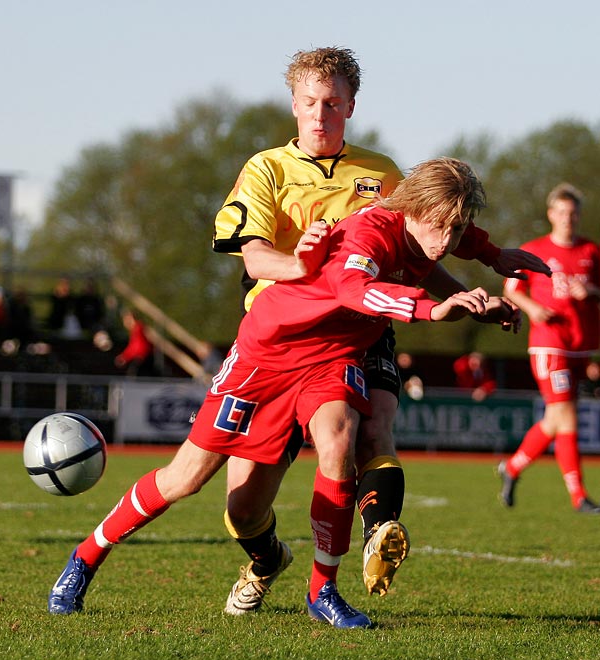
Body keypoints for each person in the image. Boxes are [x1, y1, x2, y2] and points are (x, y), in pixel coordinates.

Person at [47, 157, 519, 628]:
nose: (445, 241)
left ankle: (323, 591)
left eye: (455, 231)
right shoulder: (370, 232)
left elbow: (449, 241)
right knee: (188, 480)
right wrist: (434, 311)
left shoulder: (426, 234)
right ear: (412, 209)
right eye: (440, 226)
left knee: (338, 439)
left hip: (332, 357)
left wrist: (485, 272)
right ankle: (84, 559)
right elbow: (353, 288)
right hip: (268, 351)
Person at [212, 46, 551, 616]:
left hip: (367, 324)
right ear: (294, 105)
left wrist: (480, 272)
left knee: (369, 431)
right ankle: (266, 556)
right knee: (242, 504)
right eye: (311, 103)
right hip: (282, 337)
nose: (321, 114)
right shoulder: (265, 169)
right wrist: (300, 267)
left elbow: (432, 234)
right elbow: (254, 261)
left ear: (351, 107)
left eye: (334, 104)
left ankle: (376, 536)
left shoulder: (383, 173)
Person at [498, 183, 600, 513]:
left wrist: (591, 291)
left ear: (579, 215)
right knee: (566, 416)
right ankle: (578, 496)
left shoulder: (590, 251)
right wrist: (532, 309)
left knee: (557, 418)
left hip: (581, 345)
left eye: (573, 213)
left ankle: (512, 467)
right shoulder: (535, 249)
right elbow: (512, 288)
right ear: (551, 214)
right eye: (562, 212)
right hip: (549, 344)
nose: (568, 218)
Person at [114, 309, 155, 376]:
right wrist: (124, 356)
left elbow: (139, 347)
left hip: (143, 357)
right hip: (142, 357)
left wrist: (125, 357)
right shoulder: (135, 330)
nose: (124, 322)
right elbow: (132, 346)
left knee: (135, 373)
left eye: (126, 319)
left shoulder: (138, 328)